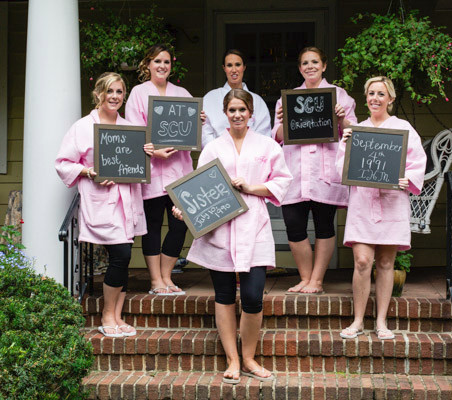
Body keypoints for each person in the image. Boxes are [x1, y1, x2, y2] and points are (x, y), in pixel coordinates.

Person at [173, 89, 292, 384]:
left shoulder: (267, 146)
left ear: (250, 112)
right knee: (224, 296)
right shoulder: (213, 148)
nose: (237, 114)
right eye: (232, 110)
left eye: (242, 109)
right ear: (225, 113)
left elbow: (282, 181)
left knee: (252, 297)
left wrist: (251, 187)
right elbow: (198, 188)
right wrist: (184, 210)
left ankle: (250, 357)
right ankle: (233, 359)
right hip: (220, 229)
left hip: (255, 225)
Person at [55, 72, 150, 337]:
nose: (115, 97)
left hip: (126, 201)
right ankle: (107, 315)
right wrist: (88, 172)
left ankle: (117, 317)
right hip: (102, 200)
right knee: (121, 256)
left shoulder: (130, 127)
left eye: (119, 92)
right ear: (99, 94)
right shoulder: (83, 127)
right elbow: (63, 163)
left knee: (124, 258)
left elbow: (134, 166)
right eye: (110, 91)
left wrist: (145, 153)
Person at [335, 76, 427, 340]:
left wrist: (406, 179)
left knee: (386, 262)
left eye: (380, 94)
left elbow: (417, 161)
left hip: (392, 203)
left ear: (390, 98)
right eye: (371, 93)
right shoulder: (358, 130)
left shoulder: (403, 129)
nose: (375, 98)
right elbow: (340, 167)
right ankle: (358, 321)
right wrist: (347, 143)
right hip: (363, 203)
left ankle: (382, 322)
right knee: (363, 261)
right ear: (366, 97)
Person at [272, 46, 357, 294]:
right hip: (295, 171)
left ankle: (317, 281)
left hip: (324, 171)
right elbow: (276, 136)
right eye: (305, 63)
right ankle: (305, 278)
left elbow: (352, 133)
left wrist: (341, 119)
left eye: (315, 62)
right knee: (293, 225)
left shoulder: (339, 96)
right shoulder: (287, 99)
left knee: (324, 225)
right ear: (300, 68)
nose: (310, 66)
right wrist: (285, 119)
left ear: (324, 65)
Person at [125, 44, 205, 296]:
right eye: (157, 61)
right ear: (147, 64)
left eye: (167, 62)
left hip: (178, 171)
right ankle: (155, 280)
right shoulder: (139, 93)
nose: (162, 66)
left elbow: (193, 138)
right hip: (151, 172)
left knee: (180, 224)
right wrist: (153, 151)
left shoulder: (181, 93)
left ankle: (167, 276)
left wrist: (198, 122)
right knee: (152, 225)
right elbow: (134, 134)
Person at [201, 49, 272, 147]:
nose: (234, 70)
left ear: (244, 67)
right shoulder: (210, 99)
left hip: (251, 157)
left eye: (238, 65)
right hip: (218, 157)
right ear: (224, 68)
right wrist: (218, 154)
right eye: (229, 65)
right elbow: (205, 134)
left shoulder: (257, 101)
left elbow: (264, 135)